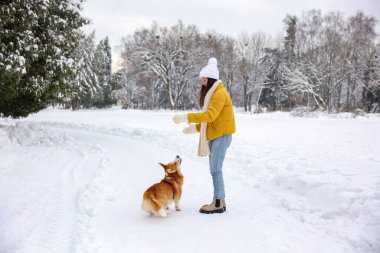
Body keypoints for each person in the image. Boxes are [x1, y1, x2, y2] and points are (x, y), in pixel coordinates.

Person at [172, 57, 236, 214]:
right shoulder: (214, 93)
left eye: (204, 79)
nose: (202, 82)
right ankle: (219, 200)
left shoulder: (220, 93)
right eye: (202, 79)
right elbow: (211, 120)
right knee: (214, 169)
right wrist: (195, 128)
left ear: (211, 79)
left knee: (216, 170)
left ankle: (218, 203)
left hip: (222, 136)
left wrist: (186, 117)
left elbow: (210, 115)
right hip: (216, 134)